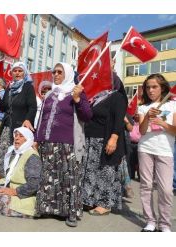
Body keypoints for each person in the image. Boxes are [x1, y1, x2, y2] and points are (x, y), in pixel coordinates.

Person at [34, 63, 92, 227]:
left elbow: (87, 116)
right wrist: (37, 139)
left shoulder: (76, 92)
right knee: (48, 178)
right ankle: (47, 208)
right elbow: (42, 119)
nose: (56, 75)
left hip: (68, 144)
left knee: (69, 180)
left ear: (67, 74)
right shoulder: (50, 94)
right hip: (48, 144)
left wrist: (77, 99)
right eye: (54, 72)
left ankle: (70, 213)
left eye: (59, 72)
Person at [81, 73, 128, 216]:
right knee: (91, 172)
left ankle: (104, 204)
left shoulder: (117, 96)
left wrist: (113, 138)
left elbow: (119, 120)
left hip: (105, 139)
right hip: (91, 140)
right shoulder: (97, 97)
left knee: (105, 172)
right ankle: (90, 200)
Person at [138, 74, 176, 232]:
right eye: (148, 87)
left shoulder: (172, 106)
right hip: (145, 148)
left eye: (154, 87)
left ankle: (165, 224)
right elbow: (141, 130)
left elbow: (175, 131)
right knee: (146, 186)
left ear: (162, 88)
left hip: (165, 151)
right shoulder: (143, 107)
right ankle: (150, 221)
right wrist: (147, 116)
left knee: (166, 189)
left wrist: (162, 123)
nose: (150, 90)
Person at [0, 62, 37, 176]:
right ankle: (0, 176)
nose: (17, 73)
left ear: (24, 73)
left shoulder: (28, 87)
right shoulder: (10, 87)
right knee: (3, 151)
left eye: (20, 71)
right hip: (7, 126)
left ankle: (11, 178)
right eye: (15, 71)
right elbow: (4, 107)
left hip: (20, 127)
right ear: (11, 73)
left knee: (15, 152)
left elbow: (32, 107)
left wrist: (28, 119)